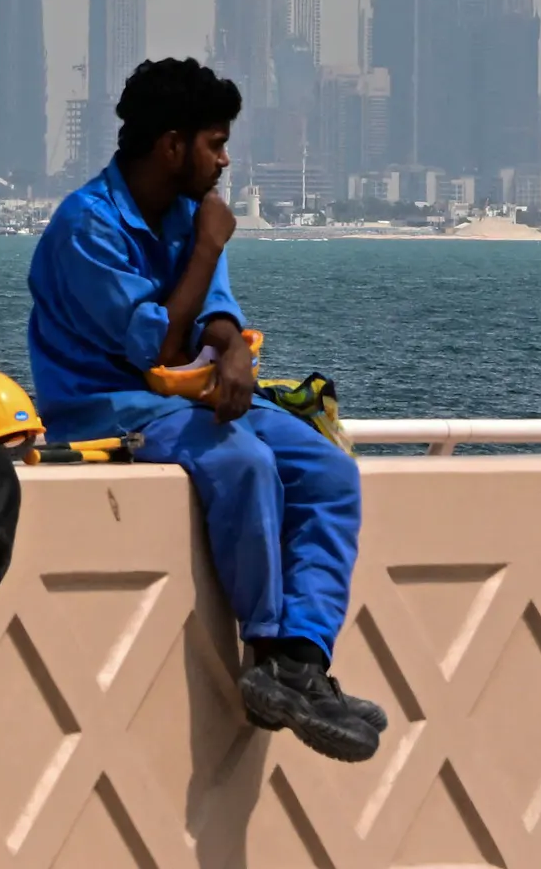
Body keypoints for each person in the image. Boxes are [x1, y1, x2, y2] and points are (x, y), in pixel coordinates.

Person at [27, 57, 386, 761]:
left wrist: (234, 353)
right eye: (215, 143)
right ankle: (266, 648)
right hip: (112, 408)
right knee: (245, 463)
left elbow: (213, 312)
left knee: (327, 470)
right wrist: (210, 248)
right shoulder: (85, 228)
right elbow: (152, 343)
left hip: (188, 397)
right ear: (171, 146)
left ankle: (302, 661)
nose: (224, 160)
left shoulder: (193, 213)